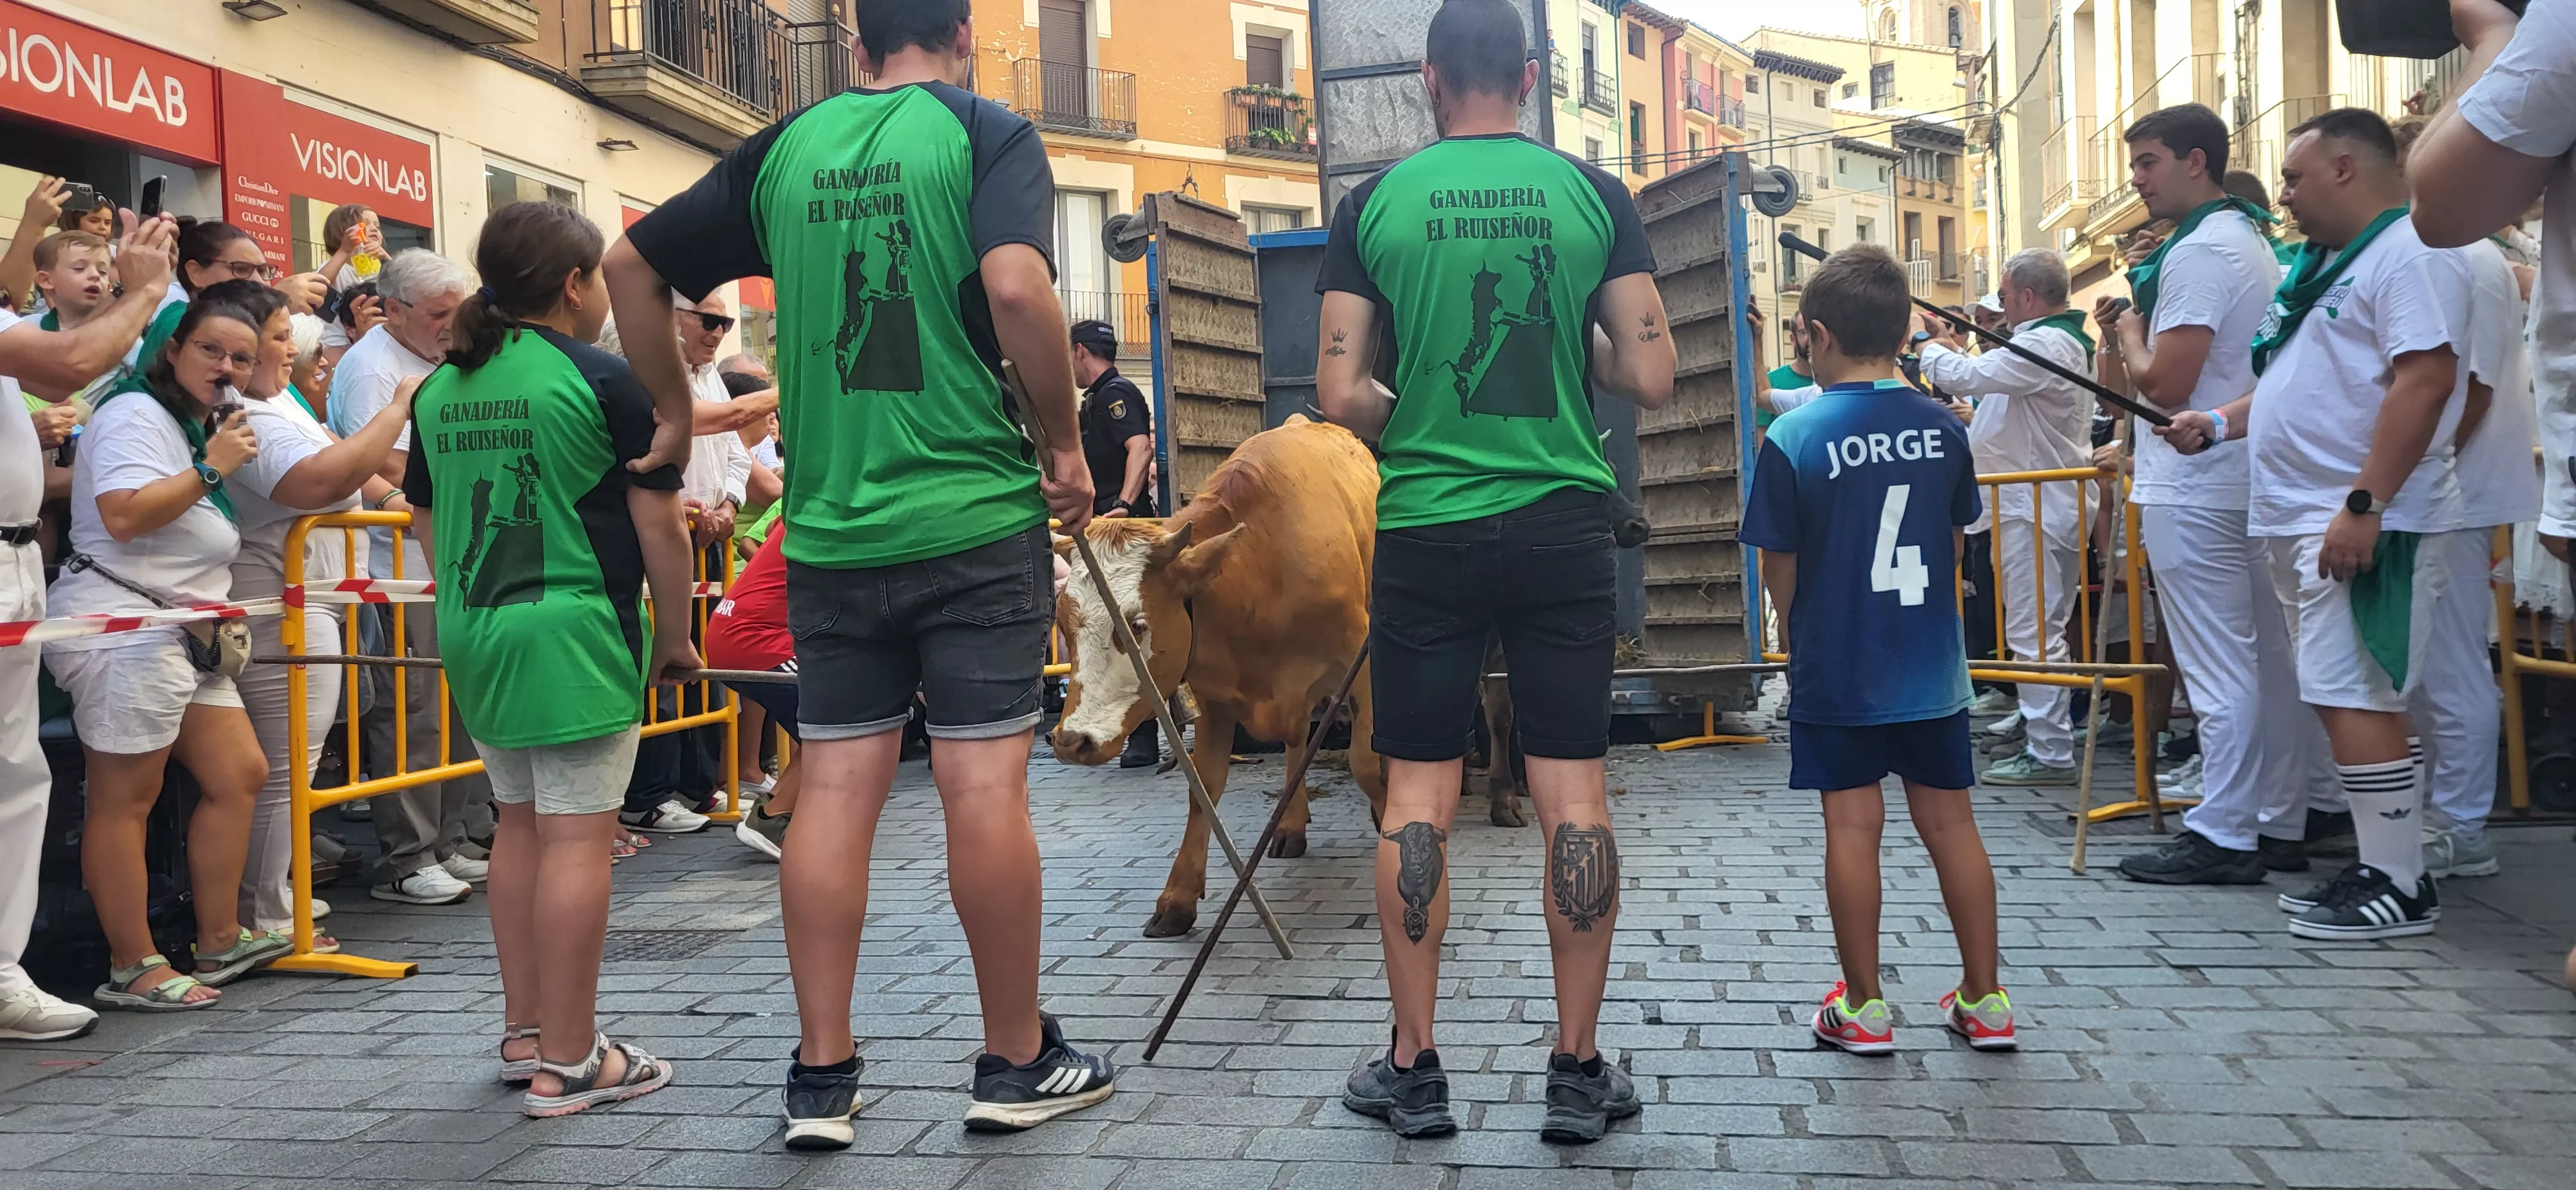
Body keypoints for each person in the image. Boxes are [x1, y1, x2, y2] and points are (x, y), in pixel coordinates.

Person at [610, 0, 1110, 1147]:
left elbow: (628, 261)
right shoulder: (986, 132)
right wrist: (1067, 447)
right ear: (964, 38)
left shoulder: (788, 146)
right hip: (973, 515)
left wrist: (676, 422)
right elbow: (1021, 290)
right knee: (985, 785)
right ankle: (1015, 1058)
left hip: (833, 529)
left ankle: (821, 1078)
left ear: (854, 48)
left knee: (834, 786)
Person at [1312, 0, 1674, 1144]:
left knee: (1417, 797)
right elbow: (1654, 373)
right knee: (1576, 794)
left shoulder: (1373, 205)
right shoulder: (1592, 198)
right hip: (1566, 521)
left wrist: (1414, 400)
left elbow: (1339, 394)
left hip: (1426, 526)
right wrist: (1583, 351)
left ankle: (1415, 1068)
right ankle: (1575, 1071)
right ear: (1529, 76)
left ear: (1428, 80)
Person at [402, 200, 692, 1116]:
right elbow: (662, 525)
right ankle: (571, 1060)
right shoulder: (604, 378)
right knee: (580, 837)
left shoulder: (442, 386)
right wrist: (679, 638)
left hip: (477, 627)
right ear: (575, 284)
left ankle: (527, 1031)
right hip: (572, 629)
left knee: (520, 825)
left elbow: (425, 517)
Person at [2159, 108, 2476, 940]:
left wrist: (2364, 504)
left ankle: (2400, 884)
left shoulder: (2407, 253)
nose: (2285, 195)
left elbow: (2426, 381)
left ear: (2345, 169)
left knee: (2357, 690)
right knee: (2341, 695)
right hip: (2306, 516)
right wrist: (2220, 423)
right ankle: (2380, 869)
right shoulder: (2330, 266)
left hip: (2362, 518)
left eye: (2295, 178)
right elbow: (2307, 381)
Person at [1739, 244, 2014, 1057]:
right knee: (1952, 824)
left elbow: (1777, 561)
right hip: (1928, 661)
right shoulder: (1942, 427)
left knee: (1853, 827)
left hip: (1840, 660)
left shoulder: (1795, 435)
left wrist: (1795, 632)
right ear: (1902, 335)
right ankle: (1985, 997)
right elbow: (1954, 533)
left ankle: (1862, 1006)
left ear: (1818, 335)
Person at [2095, 104, 2324, 885]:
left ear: (2197, 162)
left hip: (2197, 483)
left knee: (2221, 666)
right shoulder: (2248, 239)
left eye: (2148, 162)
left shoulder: (2197, 255)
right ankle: (2276, 819)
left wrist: (2128, 328)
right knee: (2268, 661)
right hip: (2242, 473)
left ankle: (2226, 830)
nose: (2136, 179)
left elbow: (2165, 382)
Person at [44, 293, 285, 1008]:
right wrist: (211, 468)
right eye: (212, 350)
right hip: (124, 627)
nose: (227, 367)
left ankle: (218, 939)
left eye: (242, 357)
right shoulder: (130, 415)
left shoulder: (184, 421)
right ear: (172, 350)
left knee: (240, 773)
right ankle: (134, 964)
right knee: (127, 798)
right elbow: (122, 516)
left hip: (181, 628)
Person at [0, 205, 179, 1042]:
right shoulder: (35, 322)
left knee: (17, 773)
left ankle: (4, 973)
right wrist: (144, 293)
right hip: (18, 556)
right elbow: (73, 359)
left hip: (18, 559)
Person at [209, 278, 416, 952]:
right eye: (277, 336)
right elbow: (319, 479)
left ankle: (275, 902)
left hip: (312, 599)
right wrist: (395, 412)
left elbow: (349, 469)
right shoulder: (245, 413)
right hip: (277, 601)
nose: (295, 348)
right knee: (284, 766)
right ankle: (266, 915)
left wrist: (394, 504)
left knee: (297, 761)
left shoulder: (281, 403)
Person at [2393, 113, 2535, 881]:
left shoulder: (2451, 254)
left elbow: (2467, 390)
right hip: (2447, 487)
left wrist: (2410, 472)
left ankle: (2460, 823)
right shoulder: (2457, 252)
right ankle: (2441, 814)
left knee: (2447, 665)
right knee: (2433, 664)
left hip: (2453, 491)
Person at [328, 248, 493, 904]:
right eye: (438, 314)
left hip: (445, 556)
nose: (452, 325)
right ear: (392, 312)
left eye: (460, 311)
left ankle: (448, 840)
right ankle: (409, 854)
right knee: (411, 715)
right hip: (395, 566)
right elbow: (388, 471)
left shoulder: (438, 359)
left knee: (454, 712)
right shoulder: (373, 370)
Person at [1918, 249, 2096, 787]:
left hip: (2036, 506)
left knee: (2033, 630)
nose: (2002, 306)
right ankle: (2044, 727)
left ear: (2024, 295)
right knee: (2040, 628)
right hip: (2035, 504)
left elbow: (1966, 376)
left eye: (2004, 295)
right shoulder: (2049, 340)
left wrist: (1929, 347)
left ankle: (2050, 750)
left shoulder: (2043, 341)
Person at [1069, 317, 1162, 769]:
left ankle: (1145, 737)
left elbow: (1140, 448)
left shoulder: (1115, 395)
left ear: (1081, 352)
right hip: (1107, 528)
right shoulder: (1097, 400)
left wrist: (1124, 504)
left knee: (1127, 633)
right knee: (1114, 634)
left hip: (1120, 529)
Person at [706, 524, 800, 860]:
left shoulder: (803, 500)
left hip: (743, 632)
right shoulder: (832, 506)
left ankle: (781, 811)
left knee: (838, 722)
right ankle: (774, 817)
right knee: (842, 722)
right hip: (756, 639)